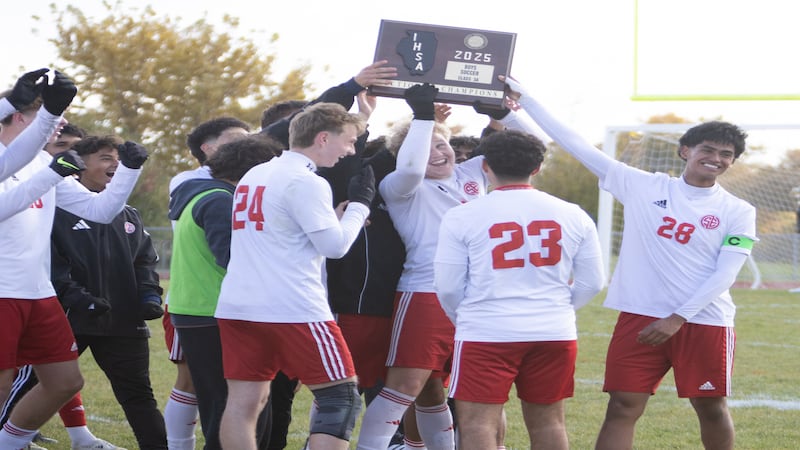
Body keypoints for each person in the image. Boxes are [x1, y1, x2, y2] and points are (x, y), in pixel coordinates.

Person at [502, 76, 757, 450]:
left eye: (726, 154)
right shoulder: (644, 185)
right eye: (708, 149)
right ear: (685, 150)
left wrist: (677, 317)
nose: (716, 159)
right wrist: (525, 104)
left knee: (711, 406)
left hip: (703, 319)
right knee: (622, 406)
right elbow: (574, 144)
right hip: (639, 315)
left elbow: (726, 274)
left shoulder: (738, 211)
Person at [0, 71, 148, 449]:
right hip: (3, 291)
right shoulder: (24, 164)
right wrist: (51, 174)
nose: (58, 124)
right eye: (46, 116)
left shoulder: (38, 163)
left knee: (66, 382)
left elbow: (99, 209)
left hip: (38, 292)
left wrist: (129, 171)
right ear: (18, 117)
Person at [214, 102, 374, 450]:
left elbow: (284, 231)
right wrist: (360, 207)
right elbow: (334, 247)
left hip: (239, 304)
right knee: (340, 399)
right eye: (348, 141)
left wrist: (334, 216)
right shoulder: (306, 181)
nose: (349, 151)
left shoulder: (255, 174)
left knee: (244, 403)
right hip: (292, 306)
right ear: (322, 138)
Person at [433, 129, 605, 449]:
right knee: (549, 423)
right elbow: (592, 281)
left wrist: (467, 317)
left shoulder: (462, 215)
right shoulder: (573, 214)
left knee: (477, 424)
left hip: (486, 330)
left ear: (484, 166)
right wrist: (556, 307)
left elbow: (447, 287)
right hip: (553, 331)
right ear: (537, 168)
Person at [357, 83, 492, 450]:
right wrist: (421, 118)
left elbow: (520, 146)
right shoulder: (399, 185)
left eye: (442, 142)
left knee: (435, 389)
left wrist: (501, 113)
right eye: (427, 144)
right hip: (425, 293)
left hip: (475, 299)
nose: (438, 151)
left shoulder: (471, 175)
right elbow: (413, 166)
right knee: (404, 387)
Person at [46, 135, 166, 449]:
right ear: (81, 165)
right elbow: (49, 261)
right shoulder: (57, 207)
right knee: (38, 383)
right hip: (70, 316)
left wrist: (150, 296)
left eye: (118, 158)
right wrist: (76, 297)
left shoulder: (129, 215)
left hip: (122, 320)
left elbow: (144, 260)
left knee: (138, 393)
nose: (115, 164)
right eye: (105, 157)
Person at [167, 135, 280, 450]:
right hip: (213, 312)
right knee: (238, 405)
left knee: (225, 403)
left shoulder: (203, 194)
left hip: (200, 309)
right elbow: (232, 258)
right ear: (255, 171)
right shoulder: (220, 200)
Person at [163, 116, 250, 450]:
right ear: (208, 148)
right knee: (192, 383)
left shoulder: (224, 187)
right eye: (236, 139)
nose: (244, 144)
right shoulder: (191, 180)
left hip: (210, 302)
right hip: (197, 302)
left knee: (214, 388)